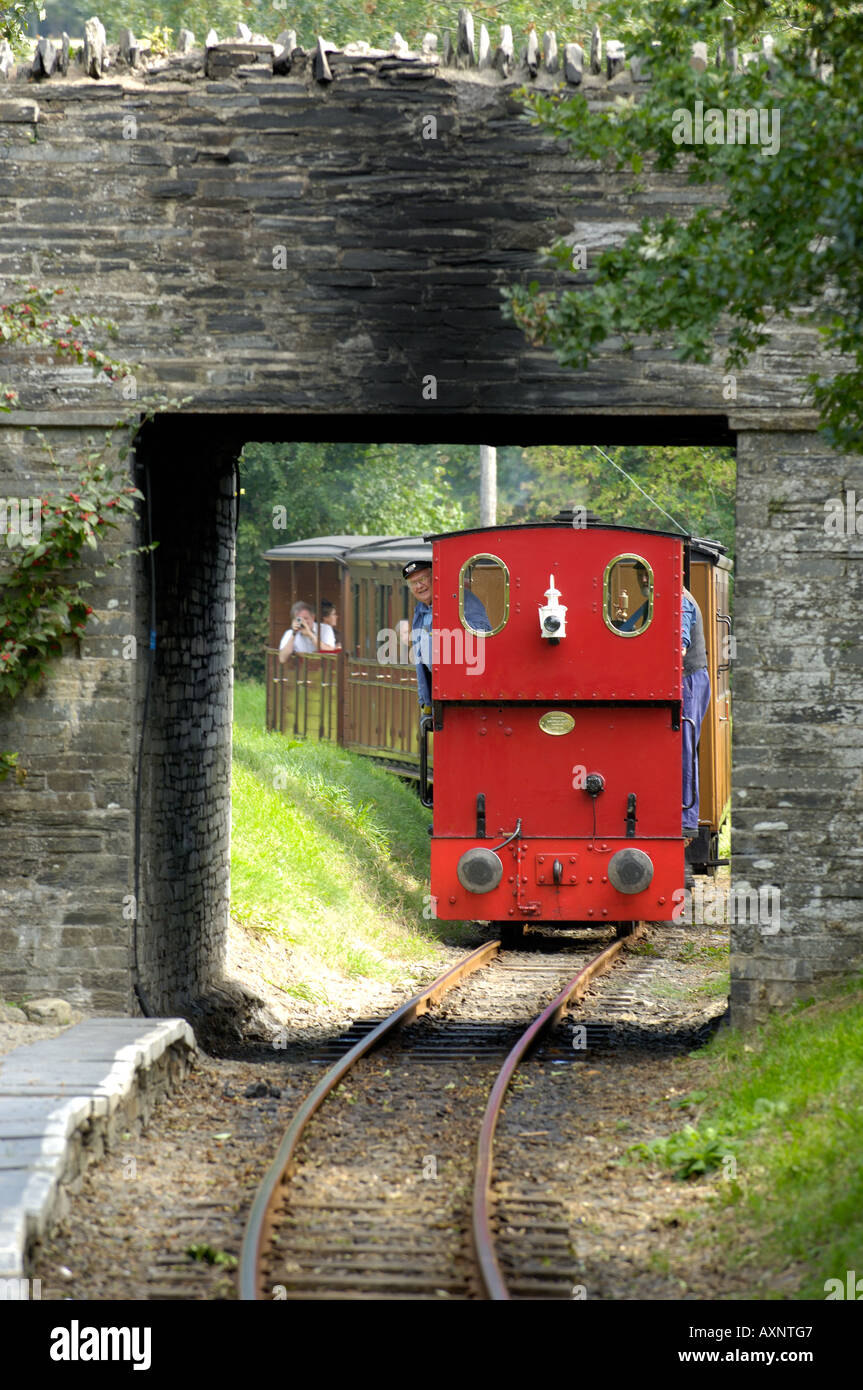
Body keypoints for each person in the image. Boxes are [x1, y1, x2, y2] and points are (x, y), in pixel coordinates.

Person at [404, 559, 490, 711]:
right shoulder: (420, 611)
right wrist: (426, 702)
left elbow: (483, 633)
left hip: (464, 694)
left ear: (434, 577)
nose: (419, 586)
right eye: (413, 583)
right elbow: (420, 660)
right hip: (439, 697)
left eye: (422, 579)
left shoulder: (463, 599)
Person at [682, 585, 711, 842]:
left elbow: (678, 649)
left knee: (685, 748)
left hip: (688, 679)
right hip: (692, 678)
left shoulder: (680, 601)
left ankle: (686, 820)